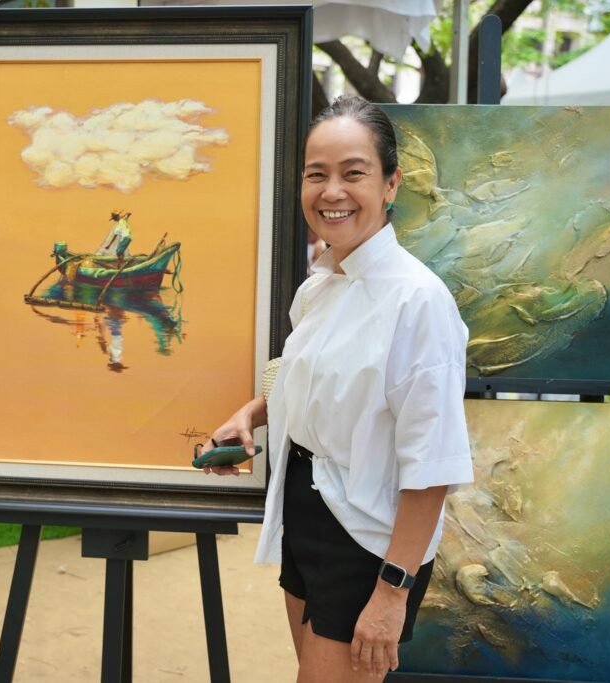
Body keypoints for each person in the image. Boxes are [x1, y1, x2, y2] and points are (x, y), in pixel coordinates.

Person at [202, 96, 473, 681]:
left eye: (353, 173)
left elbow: (433, 463)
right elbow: (309, 379)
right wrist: (251, 414)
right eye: (316, 174)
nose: (332, 192)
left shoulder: (418, 302)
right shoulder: (320, 284)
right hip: (308, 512)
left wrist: (392, 591)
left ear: (391, 184)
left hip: (368, 541)